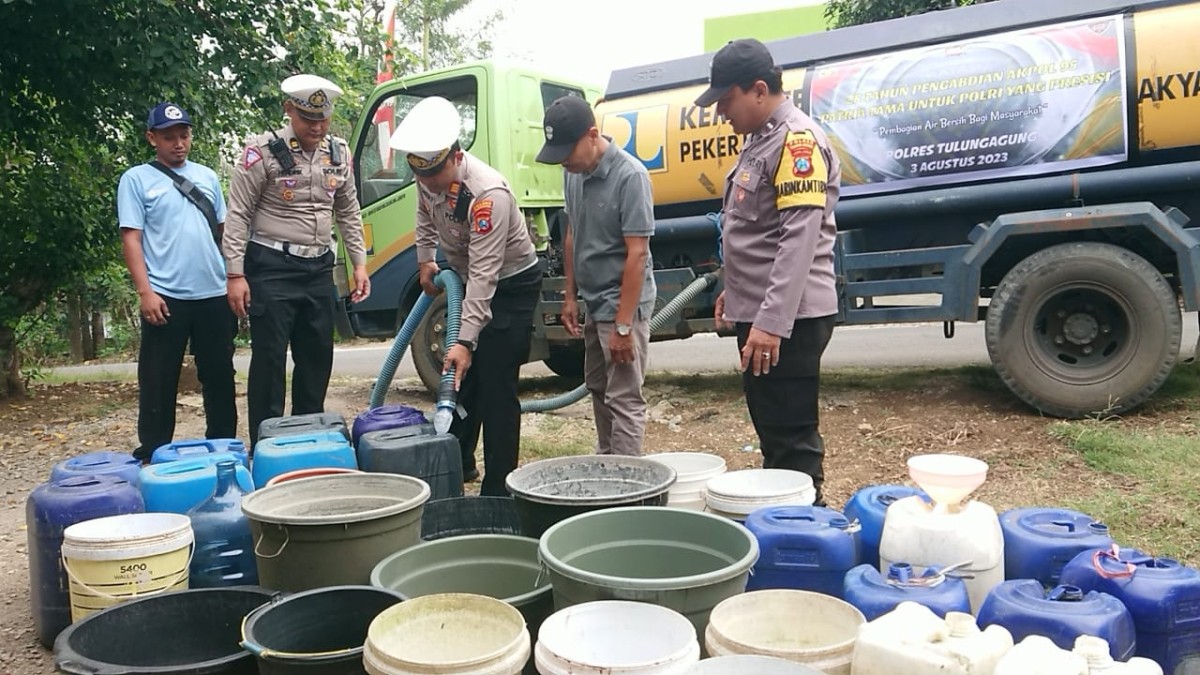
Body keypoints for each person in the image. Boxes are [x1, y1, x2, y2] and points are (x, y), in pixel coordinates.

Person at [694, 38, 841, 504]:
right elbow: (756, 232)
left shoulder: (797, 141)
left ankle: (806, 526)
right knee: (774, 434)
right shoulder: (761, 140)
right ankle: (785, 520)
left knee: (791, 441)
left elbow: (798, 240)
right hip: (763, 313)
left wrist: (771, 323)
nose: (721, 112)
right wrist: (733, 289)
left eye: (726, 100)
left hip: (787, 320)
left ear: (759, 89)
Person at [389, 96, 542, 496]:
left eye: (435, 176)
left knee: (496, 383)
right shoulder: (428, 174)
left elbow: (485, 275)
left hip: (510, 284)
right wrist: (425, 259)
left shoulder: (488, 195)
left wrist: (464, 341)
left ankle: (499, 490)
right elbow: (424, 213)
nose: (428, 185)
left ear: (456, 156)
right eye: (422, 176)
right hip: (468, 275)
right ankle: (458, 463)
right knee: (464, 379)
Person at [223, 74, 370, 448]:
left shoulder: (338, 153)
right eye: (308, 118)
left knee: (317, 358)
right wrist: (235, 274)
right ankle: (267, 445)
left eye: (323, 119)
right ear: (289, 110)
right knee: (270, 360)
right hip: (272, 265)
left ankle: (308, 439)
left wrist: (359, 263)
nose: (317, 127)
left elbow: (348, 210)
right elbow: (238, 214)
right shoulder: (262, 152)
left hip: (319, 267)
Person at [536, 95, 656, 456]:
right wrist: (570, 296)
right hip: (593, 303)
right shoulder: (574, 173)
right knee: (599, 389)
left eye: (567, 152)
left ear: (592, 135)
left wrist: (623, 326)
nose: (564, 162)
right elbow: (572, 234)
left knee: (624, 398)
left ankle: (628, 480)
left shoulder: (630, 177)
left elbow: (637, 254)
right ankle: (607, 466)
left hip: (622, 305)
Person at [117, 102, 237, 463]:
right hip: (165, 296)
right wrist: (145, 292)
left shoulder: (207, 177)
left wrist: (235, 276)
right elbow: (131, 238)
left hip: (213, 293)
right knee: (158, 379)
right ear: (152, 138)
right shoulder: (136, 179)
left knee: (219, 376)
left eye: (184, 135)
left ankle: (224, 449)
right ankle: (154, 454)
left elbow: (225, 232)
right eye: (169, 137)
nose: (178, 143)